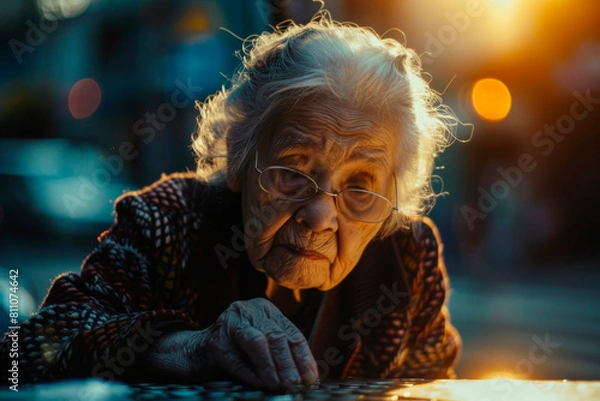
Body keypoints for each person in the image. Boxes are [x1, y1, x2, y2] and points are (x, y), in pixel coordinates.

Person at [1, 9, 460, 391]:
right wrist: (191, 347)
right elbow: (24, 355)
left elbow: (432, 383)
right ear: (239, 157)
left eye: (360, 186)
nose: (320, 215)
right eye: (292, 171)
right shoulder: (168, 221)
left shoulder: (407, 254)